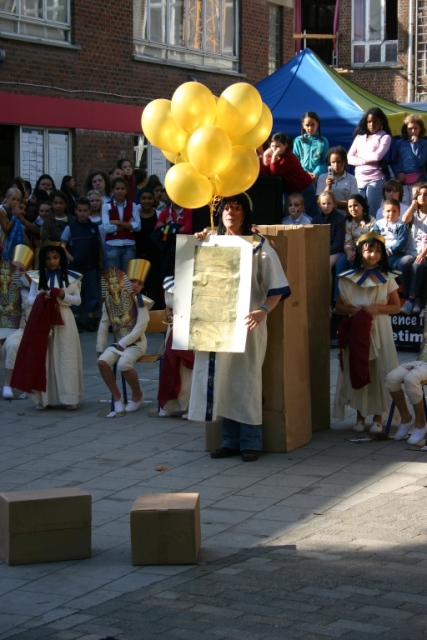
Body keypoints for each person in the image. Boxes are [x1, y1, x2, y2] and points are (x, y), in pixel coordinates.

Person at [188, 193, 291, 462]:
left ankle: (250, 442)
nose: (231, 213)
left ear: (245, 213)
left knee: (246, 381)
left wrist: (263, 310)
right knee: (222, 380)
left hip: (248, 324)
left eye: (236, 208)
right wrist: (195, 246)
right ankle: (230, 440)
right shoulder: (210, 242)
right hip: (216, 323)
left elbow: (276, 287)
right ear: (219, 214)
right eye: (226, 209)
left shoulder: (259, 245)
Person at [333, 231, 401, 433]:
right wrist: (354, 310)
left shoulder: (387, 278)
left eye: (377, 251)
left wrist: (378, 308)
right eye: (369, 249)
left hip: (379, 329)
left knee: (379, 370)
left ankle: (378, 418)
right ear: (360, 251)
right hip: (357, 329)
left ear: (382, 255)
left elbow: (396, 307)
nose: (373, 254)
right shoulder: (347, 278)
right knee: (358, 367)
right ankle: (361, 416)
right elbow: (338, 306)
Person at [10, 240, 83, 410]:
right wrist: (42, 297)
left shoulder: (72, 277)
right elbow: (29, 298)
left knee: (66, 356)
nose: (52, 261)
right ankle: (43, 398)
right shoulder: (38, 277)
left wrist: (63, 295)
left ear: (61, 258)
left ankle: (69, 397)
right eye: (48, 258)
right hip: (43, 319)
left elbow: (78, 300)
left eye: (56, 257)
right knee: (44, 356)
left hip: (64, 318)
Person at [96, 260, 152, 417]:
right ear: (124, 281)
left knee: (124, 364)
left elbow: (141, 326)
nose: (135, 285)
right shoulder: (109, 301)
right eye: (132, 281)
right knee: (102, 362)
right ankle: (117, 397)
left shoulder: (141, 301)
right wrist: (100, 346)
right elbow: (103, 324)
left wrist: (123, 342)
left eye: (139, 283)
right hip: (118, 343)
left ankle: (137, 395)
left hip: (136, 344)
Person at [61, 196, 102, 332]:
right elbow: (62, 245)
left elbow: (99, 245)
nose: (83, 213)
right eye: (80, 210)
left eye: (85, 210)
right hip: (75, 267)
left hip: (91, 266)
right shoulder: (70, 228)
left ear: (90, 211)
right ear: (76, 211)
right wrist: (71, 259)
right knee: (75, 291)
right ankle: (76, 319)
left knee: (91, 292)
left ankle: (90, 319)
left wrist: (100, 260)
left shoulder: (95, 228)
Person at [158, 275, 194, 417]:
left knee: (188, 370)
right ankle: (171, 406)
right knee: (172, 366)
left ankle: (189, 406)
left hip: (192, 331)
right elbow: (168, 307)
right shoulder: (169, 282)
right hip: (174, 330)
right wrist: (170, 317)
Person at [1, 245, 33, 398]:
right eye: (14, 269)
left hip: (20, 328)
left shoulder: (28, 292)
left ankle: (8, 384)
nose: (16, 273)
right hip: (2, 326)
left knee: (13, 345)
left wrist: (25, 278)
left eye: (21, 269)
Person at [260, 132, 318, 218]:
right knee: (291, 217)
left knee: (309, 216)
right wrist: (265, 157)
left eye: (278, 146)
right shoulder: (275, 156)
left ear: (285, 145)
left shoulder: (289, 157)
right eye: (272, 146)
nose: (274, 149)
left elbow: (275, 173)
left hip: (305, 189)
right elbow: (267, 173)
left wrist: (274, 156)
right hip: (292, 192)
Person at [347, 107, 392, 214]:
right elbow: (349, 158)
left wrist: (359, 157)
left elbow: (377, 157)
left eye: (375, 121)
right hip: (359, 179)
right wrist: (365, 159)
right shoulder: (359, 137)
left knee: (372, 211)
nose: (372, 124)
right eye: (369, 122)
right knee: (358, 211)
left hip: (375, 179)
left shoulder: (385, 137)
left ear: (381, 121)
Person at [334, 194, 376, 296]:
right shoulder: (348, 222)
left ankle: (355, 298)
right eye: (350, 206)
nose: (353, 208)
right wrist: (349, 253)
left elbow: (372, 240)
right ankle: (338, 300)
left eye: (356, 205)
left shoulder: (371, 221)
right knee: (340, 263)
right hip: (350, 251)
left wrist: (359, 253)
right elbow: (347, 241)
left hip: (366, 251)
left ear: (362, 206)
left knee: (356, 264)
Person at [102, 177, 141, 271]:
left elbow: (138, 227)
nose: (120, 191)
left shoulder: (133, 205)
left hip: (129, 245)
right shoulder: (106, 206)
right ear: (112, 190)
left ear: (126, 190)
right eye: (117, 188)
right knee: (114, 280)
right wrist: (128, 225)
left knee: (127, 279)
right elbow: (107, 228)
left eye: (122, 188)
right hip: (112, 245)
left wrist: (118, 222)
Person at [400, 182, 427, 315]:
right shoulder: (414, 214)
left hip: (424, 253)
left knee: (418, 265)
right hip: (412, 251)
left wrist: (423, 253)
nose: (423, 197)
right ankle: (412, 296)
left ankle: (411, 299)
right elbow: (404, 220)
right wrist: (412, 205)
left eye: (426, 194)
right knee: (403, 263)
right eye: (420, 194)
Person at [135, 187, 164, 308]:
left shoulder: (159, 215)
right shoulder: (135, 215)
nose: (146, 201)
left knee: (154, 289)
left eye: (149, 198)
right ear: (139, 200)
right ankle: (139, 317)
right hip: (138, 257)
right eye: (143, 198)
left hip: (155, 257)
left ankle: (154, 319)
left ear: (153, 200)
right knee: (138, 289)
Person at [385, 360, 427, 444]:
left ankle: (421, 423)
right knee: (392, 378)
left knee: (411, 379)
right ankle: (406, 418)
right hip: (421, 362)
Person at [392, 114, 427, 205]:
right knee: (404, 205)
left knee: (416, 205)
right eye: (410, 129)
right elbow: (394, 161)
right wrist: (398, 172)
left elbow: (421, 161)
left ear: (420, 129)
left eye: (416, 128)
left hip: (419, 181)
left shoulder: (424, 144)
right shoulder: (400, 143)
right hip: (404, 181)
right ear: (405, 129)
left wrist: (415, 145)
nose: (413, 131)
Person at [316, 146, 358, 216]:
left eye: (339, 162)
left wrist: (332, 203)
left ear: (344, 161)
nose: (336, 165)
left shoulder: (351, 179)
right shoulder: (322, 178)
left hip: (345, 217)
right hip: (326, 218)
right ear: (329, 163)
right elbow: (319, 201)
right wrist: (328, 186)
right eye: (333, 162)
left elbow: (353, 202)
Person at [312, 191, 345, 272]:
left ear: (334, 204)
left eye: (329, 203)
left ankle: (327, 285)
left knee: (327, 264)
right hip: (319, 250)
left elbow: (339, 243)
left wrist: (326, 252)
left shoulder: (339, 219)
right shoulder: (316, 219)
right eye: (323, 203)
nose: (326, 206)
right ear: (319, 205)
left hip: (335, 251)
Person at [373, 198, 409, 271]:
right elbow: (375, 238)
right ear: (383, 212)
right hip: (381, 251)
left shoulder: (401, 225)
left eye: (394, 211)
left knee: (394, 264)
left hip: (396, 252)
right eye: (388, 211)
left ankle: (396, 282)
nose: (391, 214)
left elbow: (402, 242)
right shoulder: (378, 224)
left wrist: (389, 251)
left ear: (399, 213)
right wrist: (379, 250)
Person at [293, 111, 329, 182]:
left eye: (312, 124)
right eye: (307, 125)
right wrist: (305, 173)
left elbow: (324, 162)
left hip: (317, 178)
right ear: (303, 125)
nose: (310, 128)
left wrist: (316, 173)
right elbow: (295, 161)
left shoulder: (323, 141)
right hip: (302, 178)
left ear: (317, 124)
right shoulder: (298, 141)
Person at [0, 188, 25, 260]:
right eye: (13, 199)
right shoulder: (2, 210)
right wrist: (14, 217)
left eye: (18, 200)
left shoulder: (12, 211)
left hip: (7, 243)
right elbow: (6, 229)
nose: (15, 202)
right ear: (7, 198)